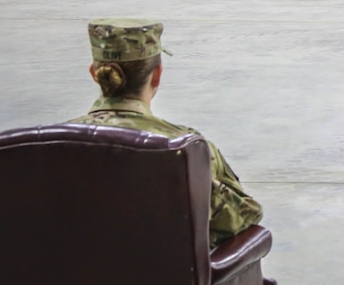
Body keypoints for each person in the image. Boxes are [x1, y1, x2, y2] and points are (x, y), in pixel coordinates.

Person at [69, 18, 264, 246]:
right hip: (163, 280)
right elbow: (243, 216)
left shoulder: (43, 148)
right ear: (157, 75)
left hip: (66, 279)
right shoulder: (183, 147)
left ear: (94, 73)